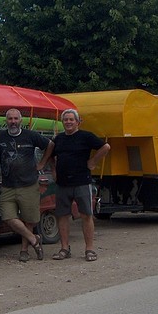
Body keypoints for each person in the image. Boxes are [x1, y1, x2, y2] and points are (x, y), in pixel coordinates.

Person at [0, 108, 54, 262]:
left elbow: (50, 145)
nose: (13, 122)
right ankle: (34, 239)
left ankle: (24, 251)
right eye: (10, 119)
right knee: (8, 216)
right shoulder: (0, 137)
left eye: (15, 118)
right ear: (6, 121)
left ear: (20, 120)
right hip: (8, 186)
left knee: (28, 219)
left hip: (29, 184)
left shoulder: (31, 136)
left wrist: (42, 163)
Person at [51, 108, 110, 262]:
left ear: (78, 121)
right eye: (66, 120)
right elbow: (50, 155)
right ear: (62, 122)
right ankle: (64, 248)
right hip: (63, 184)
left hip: (82, 182)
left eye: (71, 119)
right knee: (62, 216)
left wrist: (93, 161)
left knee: (86, 215)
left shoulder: (86, 136)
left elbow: (106, 147)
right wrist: (53, 171)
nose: (68, 122)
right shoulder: (58, 139)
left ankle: (89, 249)